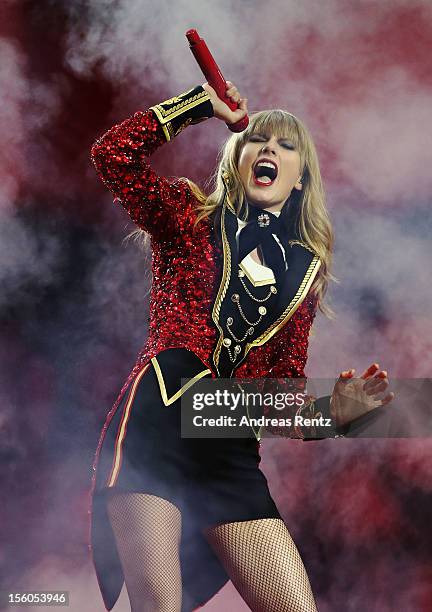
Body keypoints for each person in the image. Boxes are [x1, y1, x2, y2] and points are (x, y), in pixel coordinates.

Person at [88, 80, 394, 612]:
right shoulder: (187, 218)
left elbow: (276, 399)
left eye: (286, 145)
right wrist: (196, 105)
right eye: (258, 140)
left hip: (227, 440)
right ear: (236, 159)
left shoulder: (305, 274)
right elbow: (112, 154)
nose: (270, 149)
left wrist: (335, 415)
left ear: (300, 180)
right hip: (160, 421)